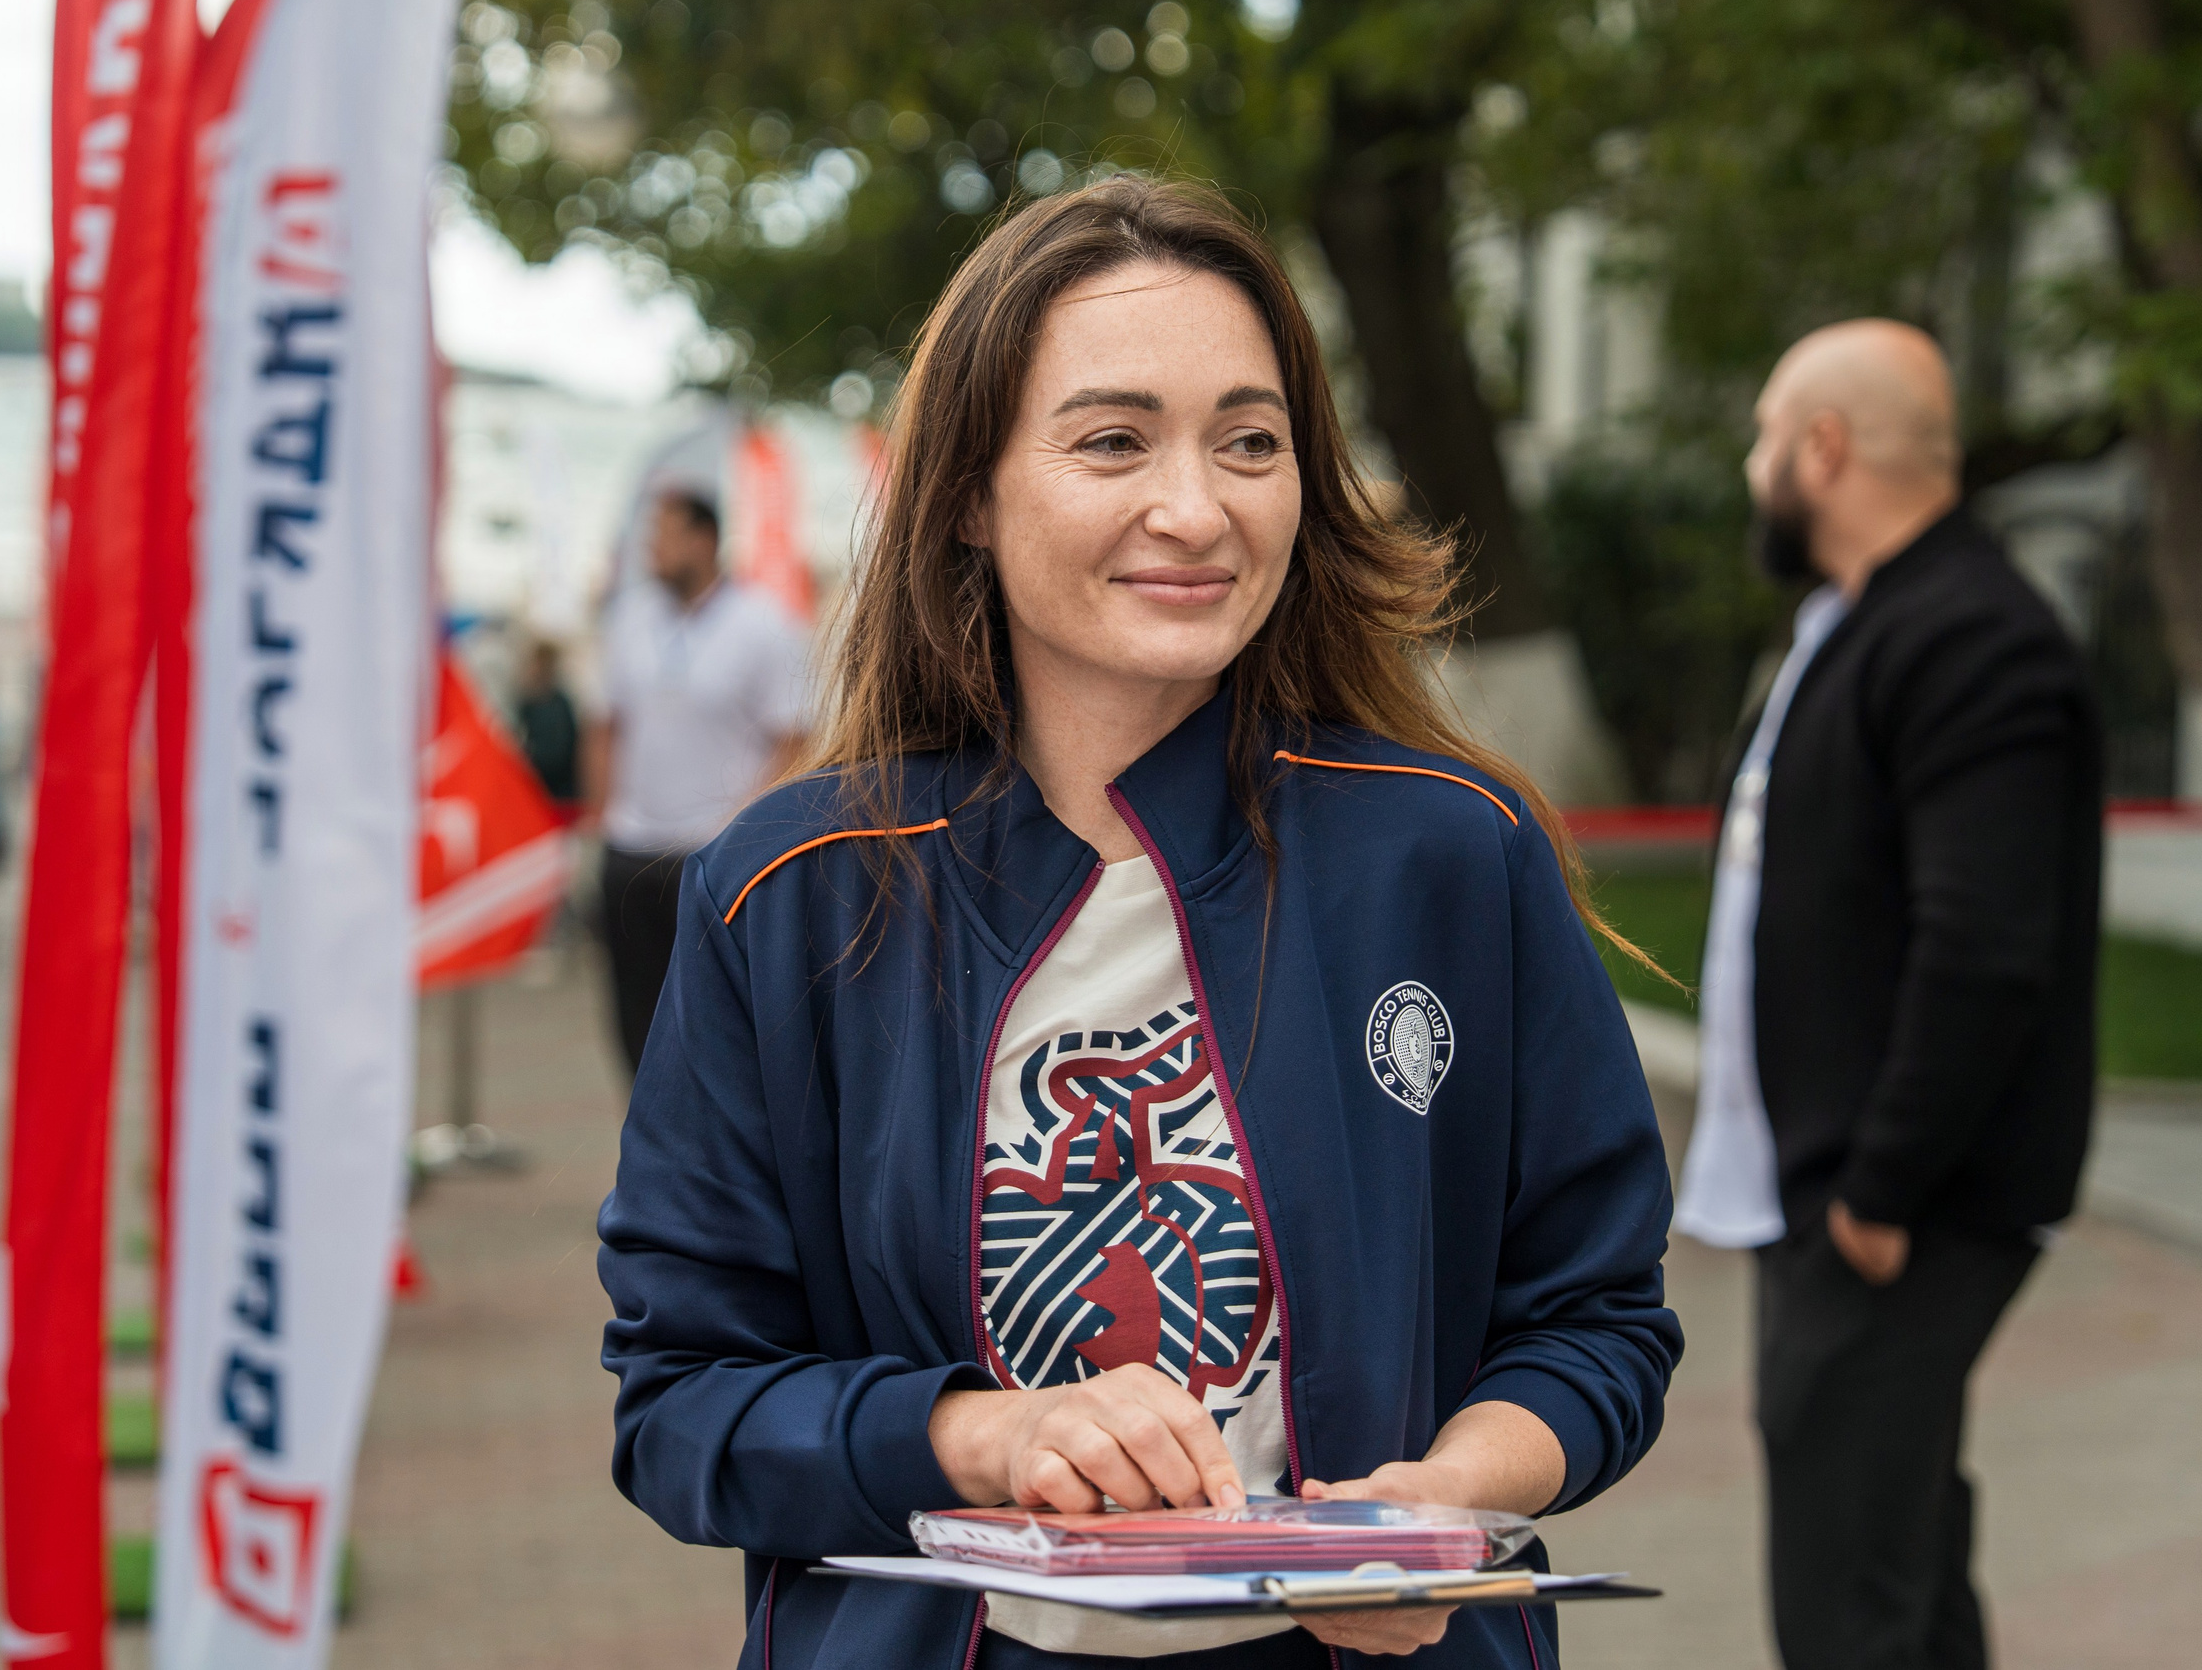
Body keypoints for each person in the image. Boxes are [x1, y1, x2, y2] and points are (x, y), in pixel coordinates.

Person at [597, 177, 1682, 1668]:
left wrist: (1449, 1499)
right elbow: (683, 1400)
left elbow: (1599, 1317)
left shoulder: (1449, 852)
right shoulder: (792, 894)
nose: (1198, 506)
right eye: (1114, 440)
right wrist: (990, 1435)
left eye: (1251, 441)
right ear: (969, 491)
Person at [1679, 321, 2103, 1670]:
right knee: (1899, 1557)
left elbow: (1985, 945)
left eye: (1763, 438)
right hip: (1836, 1189)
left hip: (1898, 1207)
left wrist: (1881, 1190)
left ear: (1826, 449)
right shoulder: (1863, 625)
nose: (1753, 469)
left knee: (1846, 1596)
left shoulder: (1973, 636)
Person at [579, 489, 809, 1068]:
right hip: (632, 851)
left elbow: (795, 741)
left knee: (715, 1029)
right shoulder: (631, 618)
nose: (652, 550)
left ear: (704, 540)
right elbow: (607, 725)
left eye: (665, 536)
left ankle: (713, 1153)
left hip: (712, 859)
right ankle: (645, 1148)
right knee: (635, 1027)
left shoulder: (763, 624)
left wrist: (742, 833)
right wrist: (602, 816)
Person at [510, 638, 582, 817]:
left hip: (558, 794)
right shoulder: (527, 702)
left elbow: (558, 753)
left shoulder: (558, 704)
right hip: (539, 791)